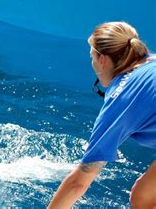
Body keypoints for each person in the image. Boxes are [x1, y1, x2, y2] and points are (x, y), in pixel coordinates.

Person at [49, 21, 156, 208]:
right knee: (144, 196)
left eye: (92, 57)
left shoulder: (121, 97)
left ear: (103, 60)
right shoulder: (151, 63)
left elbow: (79, 181)